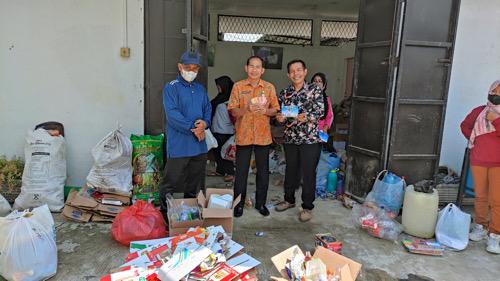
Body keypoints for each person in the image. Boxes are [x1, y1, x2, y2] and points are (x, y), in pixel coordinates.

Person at [159, 50, 212, 218]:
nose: (191, 71)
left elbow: (207, 109)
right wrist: (194, 128)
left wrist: (205, 123)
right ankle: (165, 216)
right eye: (188, 67)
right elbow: (172, 115)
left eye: (195, 68)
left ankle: (190, 215)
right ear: (180, 67)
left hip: (199, 146)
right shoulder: (171, 88)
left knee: (195, 185)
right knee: (170, 183)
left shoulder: (200, 89)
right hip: (179, 145)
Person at [227, 55, 280, 217]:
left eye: (258, 67)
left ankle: (261, 204)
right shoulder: (238, 87)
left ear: (262, 70)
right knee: (241, 172)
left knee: (263, 172)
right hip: (244, 135)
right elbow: (232, 110)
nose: (254, 69)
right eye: (251, 66)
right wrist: (247, 109)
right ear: (246, 68)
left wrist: (266, 111)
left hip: (263, 137)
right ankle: (238, 204)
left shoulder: (269, 88)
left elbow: (276, 109)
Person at [275, 59, 325, 222]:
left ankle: (307, 207)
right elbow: (278, 116)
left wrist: (307, 117)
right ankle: (289, 200)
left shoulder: (314, 90)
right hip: (290, 139)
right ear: (288, 75)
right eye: (292, 71)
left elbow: (320, 112)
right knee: (291, 170)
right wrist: (280, 118)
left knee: (308, 173)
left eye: (299, 70)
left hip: (310, 139)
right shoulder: (284, 93)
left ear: (305, 71)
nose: (296, 73)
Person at [461, 80, 500, 254]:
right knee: (481, 197)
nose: (496, 96)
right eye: (494, 92)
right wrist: (475, 139)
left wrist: (496, 121)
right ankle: (480, 227)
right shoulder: (479, 112)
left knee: (497, 201)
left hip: (498, 164)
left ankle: (495, 235)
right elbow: (465, 126)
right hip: (478, 160)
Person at [211, 76, 236, 182]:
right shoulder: (220, 98)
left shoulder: (231, 100)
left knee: (225, 152)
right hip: (216, 129)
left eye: (219, 86)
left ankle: (231, 172)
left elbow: (234, 116)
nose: (218, 88)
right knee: (217, 151)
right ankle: (220, 170)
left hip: (226, 131)